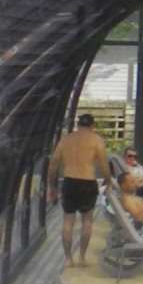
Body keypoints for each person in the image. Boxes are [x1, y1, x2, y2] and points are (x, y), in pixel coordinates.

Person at [49, 113, 110, 267]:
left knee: (68, 221)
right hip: (88, 181)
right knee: (87, 222)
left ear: (78, 125)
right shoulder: (97, 140)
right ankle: (82, 257)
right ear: (92, 126)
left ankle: (68, 259)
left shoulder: (65, 140)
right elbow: (104, 165)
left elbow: (54, 164)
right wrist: (108, 180)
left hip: (69, 181)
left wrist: (52, 186)